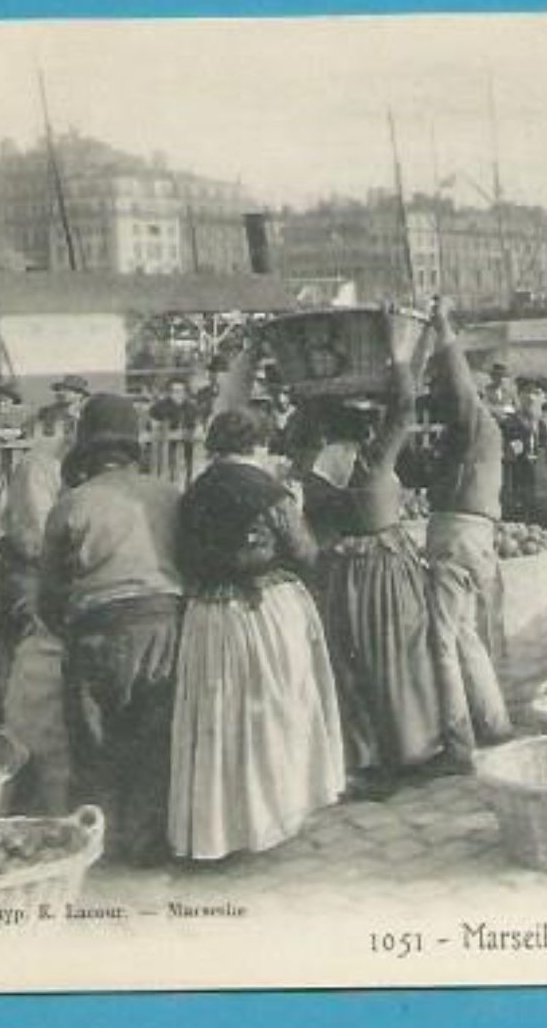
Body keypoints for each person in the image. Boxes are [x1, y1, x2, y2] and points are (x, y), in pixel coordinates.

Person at [167, 408, 344, 860]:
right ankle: (273, 816)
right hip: (262, 613)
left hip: (209, 616)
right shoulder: (270, 493)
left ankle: (222, 828)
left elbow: (185, 556)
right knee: (274, 710)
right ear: (259, 446)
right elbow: (304, 553)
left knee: (220, 718)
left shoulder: (193, 493)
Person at [37, 394, 183, 865]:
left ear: (87, 454)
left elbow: (49, 593)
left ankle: (98, 845)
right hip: (165, 624)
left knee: (95, 742)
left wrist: (71, 633)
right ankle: (148, 843)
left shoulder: (71, 505)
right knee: (155, 738)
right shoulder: (168, 492)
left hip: (98, 629)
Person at [423, 297, 513, 759]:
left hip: (455, 534)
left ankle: (458, 744)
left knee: (442, 640)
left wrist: (442, 327)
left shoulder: (475, 421)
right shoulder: (473, 437)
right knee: (465, 634)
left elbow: (457, 384)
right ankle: (494, 723)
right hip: (475, 534)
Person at [0, 431, 68, 728]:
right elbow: (35, 539)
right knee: (14, 671)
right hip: (26, 574)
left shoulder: (69, 467)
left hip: (48, 573)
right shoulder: (40, 466)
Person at [501, 375, 547, 532]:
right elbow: (496, 463)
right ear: (518, 395)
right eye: (525, 392)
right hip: (518, 506)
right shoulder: (506, 426)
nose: (531, 397)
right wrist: (507, 455)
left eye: (536, 392)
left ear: (545, 397)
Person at [194, 356, 229, 421]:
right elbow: (200, 416)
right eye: (213, 371)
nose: (214, 374)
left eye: (220, 372)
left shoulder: (231, 394)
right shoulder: (202, 392)